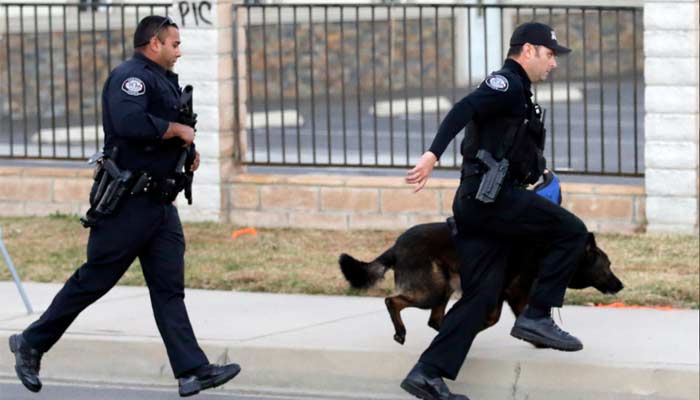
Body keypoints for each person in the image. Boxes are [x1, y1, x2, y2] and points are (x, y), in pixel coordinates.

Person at [8, 16, 240, 398]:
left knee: (168, 289)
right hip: (128, 205)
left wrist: (189, 151)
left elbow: (169, 128)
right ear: (154, 44)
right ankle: (32, 343)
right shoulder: (129, 77)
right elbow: (130, 122)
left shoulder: (164, 79)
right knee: (94, 280)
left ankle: (192, 370)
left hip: (160, 206)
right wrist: (177, 132)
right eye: (174, 44)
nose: (179, 51)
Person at [401, 22, 588, 400]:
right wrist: (432, 154)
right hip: (493, 200)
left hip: (481, 204)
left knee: (481, 298)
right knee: (572, 232)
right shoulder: (505, 84)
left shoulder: (522, 92)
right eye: (550, 54)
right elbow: (463, 109)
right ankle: (536, 315)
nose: (553, 63)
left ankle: (427, 373)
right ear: (529, 50)